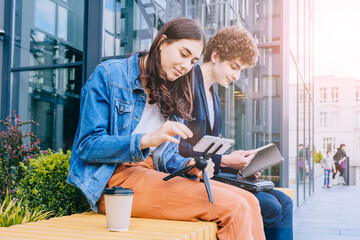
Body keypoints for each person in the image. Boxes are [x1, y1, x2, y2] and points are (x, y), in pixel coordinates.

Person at [67, 18, 265, 240]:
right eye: (183, 53)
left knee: (250, 201)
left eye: (192, 61)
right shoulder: (110, 75)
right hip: (112, 181)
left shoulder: (175, 89)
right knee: (233, 207)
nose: (186, 66)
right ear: (162, 42)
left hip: (152, 174)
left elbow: (166, 156)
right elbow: (87, 146)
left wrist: (188, 165)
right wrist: (146, 139)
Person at [179, 26, 293, 240]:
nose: (236, 75)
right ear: (215, 56)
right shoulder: (186, 85)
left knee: (285, 202)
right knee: (270, 207)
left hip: (212, 173)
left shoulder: (213, 94)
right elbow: (177, 148)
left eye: (240, 70)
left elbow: (210, 147)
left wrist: (241, 166)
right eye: (234, 67)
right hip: (190, 175)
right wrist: (227, 161)